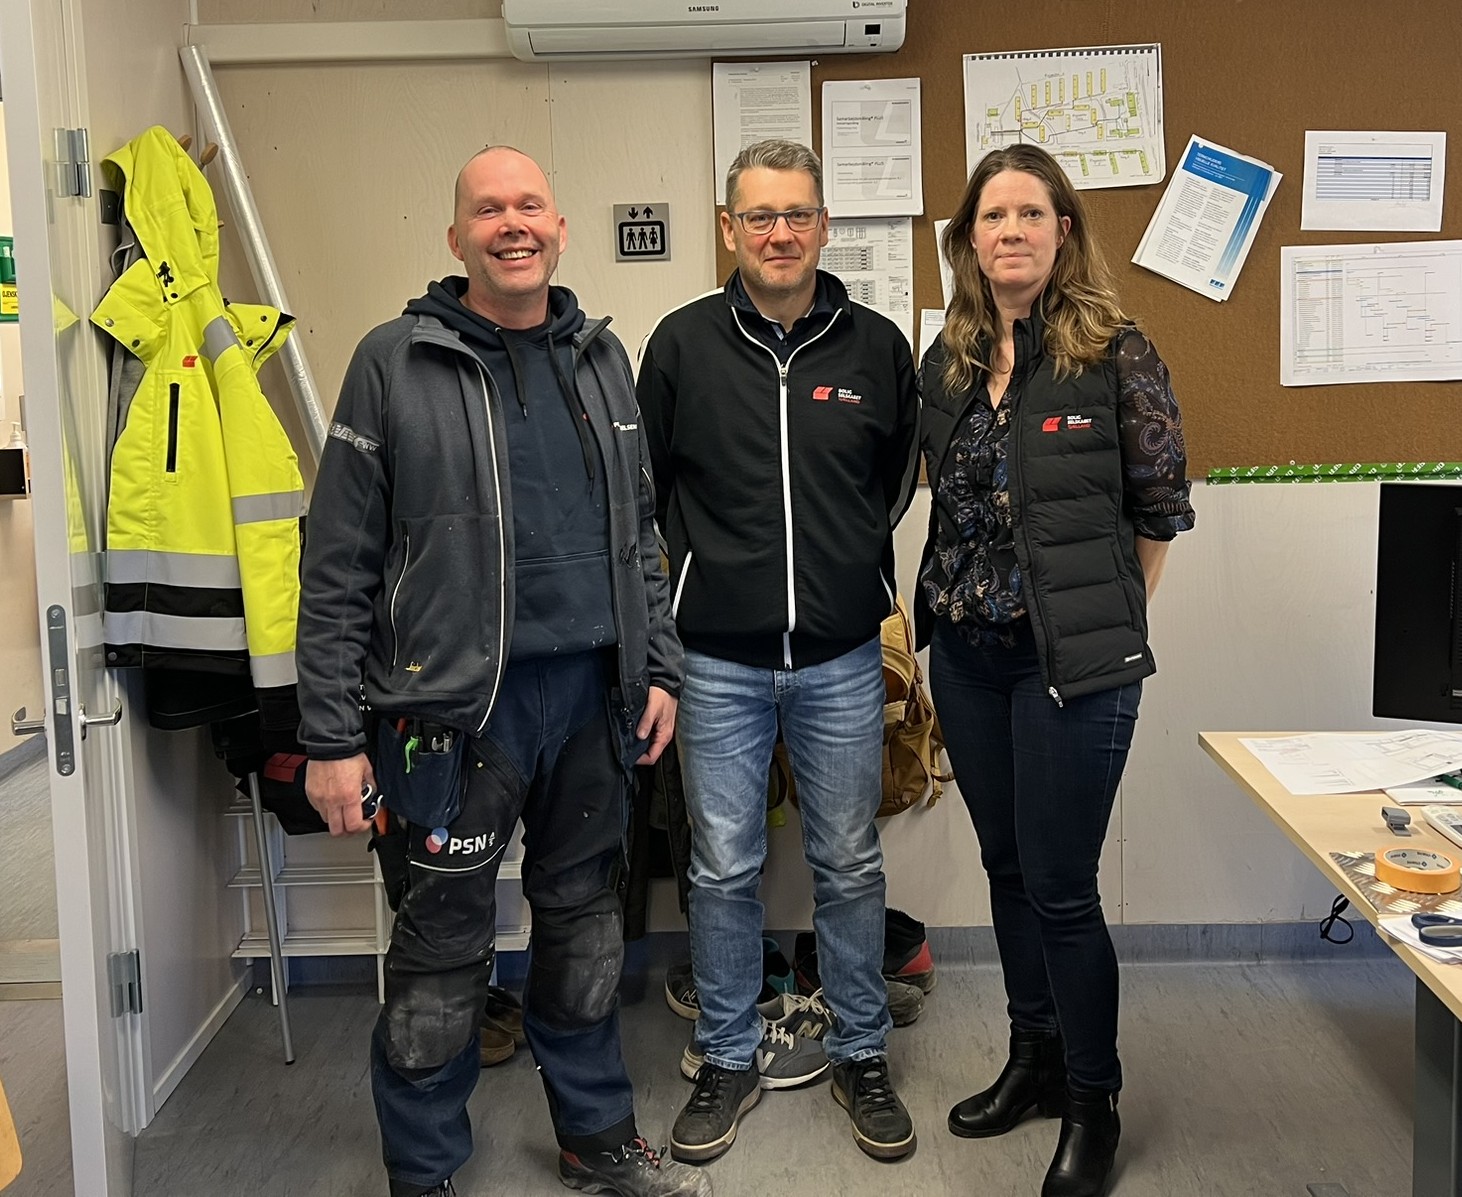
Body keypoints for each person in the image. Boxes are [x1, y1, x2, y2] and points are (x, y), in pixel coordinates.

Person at [297, 145, 708, 1197]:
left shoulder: (601, 361)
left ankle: (595, 1135)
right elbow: (337, 559)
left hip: (591, 707)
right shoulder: (395, 362)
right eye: (489, 209)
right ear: (457, 238)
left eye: (529, 205)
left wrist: (658, 668)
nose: (511, 223)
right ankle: (423, 1166)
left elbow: (641, 536)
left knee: (586, 933)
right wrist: (332, 736)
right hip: (450, 716)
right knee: (440, 960)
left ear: (559, 229)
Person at [916, 143, 1195, 1197]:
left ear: (1062, 230)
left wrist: (1105, 629)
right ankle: (1031, 1059)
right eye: (992, 216)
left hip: (1069, 667)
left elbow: (1159, 509)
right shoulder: (947, 360)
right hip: (968, 659)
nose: (1012, 232)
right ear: (968, 239)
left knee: (1063, 888)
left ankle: (1092, 1100)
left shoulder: (1114, 352)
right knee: (1008, 869)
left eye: (1031, 213)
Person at [637, 138, 920, 1165]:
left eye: (797, 213)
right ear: (729, 228)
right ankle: (727, 1055)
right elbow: (651, 490)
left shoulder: (876, 347)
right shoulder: (680, 345)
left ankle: (859, 1051)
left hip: (841, 656)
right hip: (716, 660)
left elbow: (892, 479)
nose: (780, 232)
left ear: (824, 225)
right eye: (759, 215)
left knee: (848, 859)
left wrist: (845, 575)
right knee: (722, 866)